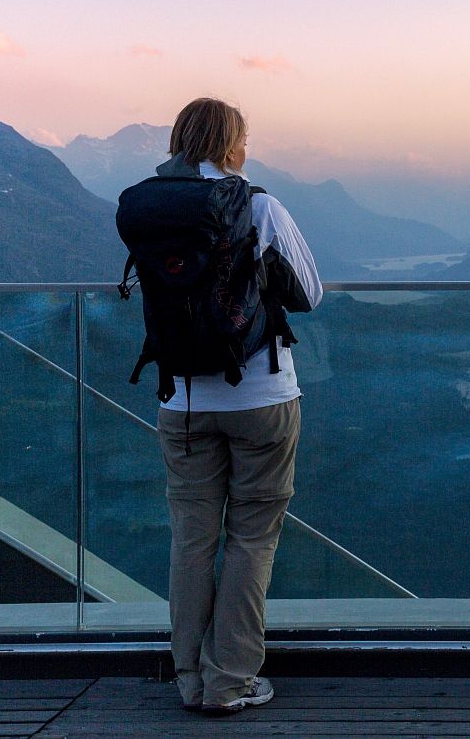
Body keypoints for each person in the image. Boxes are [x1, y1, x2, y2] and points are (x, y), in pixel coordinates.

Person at [153, 97, 322, 715]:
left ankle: (189, 678)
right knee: (252, 539)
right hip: (261, 397)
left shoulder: (151, 208)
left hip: (183, 400)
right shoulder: (257, 205)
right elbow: (310, 292)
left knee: (191, 540)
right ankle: (230, 681)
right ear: (234, 145)